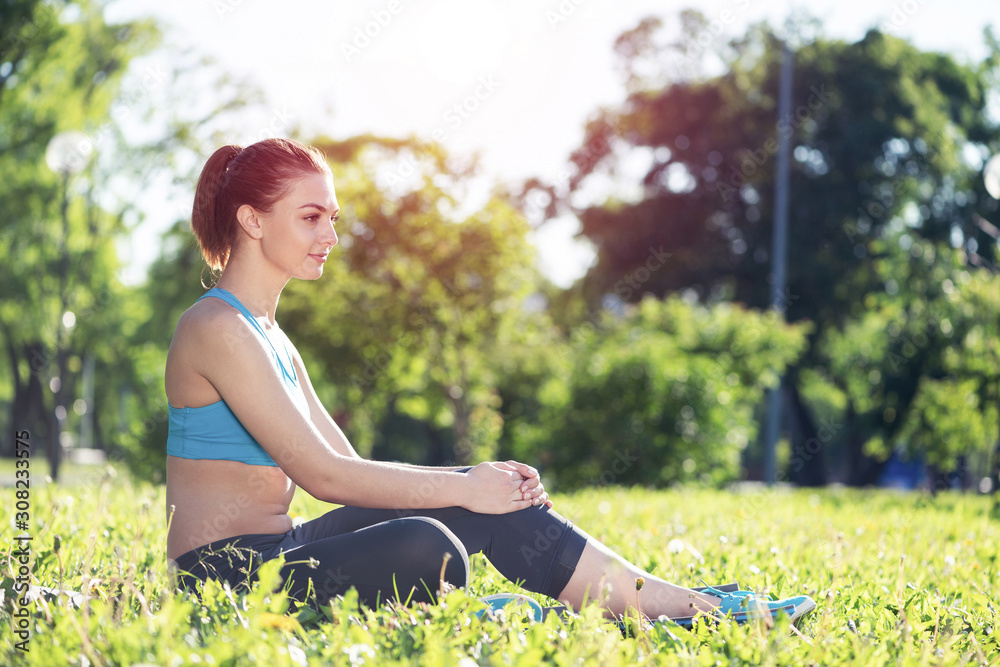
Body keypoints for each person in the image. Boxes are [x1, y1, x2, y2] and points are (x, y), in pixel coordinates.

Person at [165, 137, 815, 626]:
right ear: (253, 221)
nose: (331, 234)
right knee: (429, 541)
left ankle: (670, 601)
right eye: (311, 217)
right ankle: (526, 613)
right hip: (228, 576)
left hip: (288, 546)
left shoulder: (273, 335)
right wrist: (468, 487)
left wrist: (478, 486)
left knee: (475, 505)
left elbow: (349, 464)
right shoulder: (217, 327)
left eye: (333, 216)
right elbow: (324, 478)